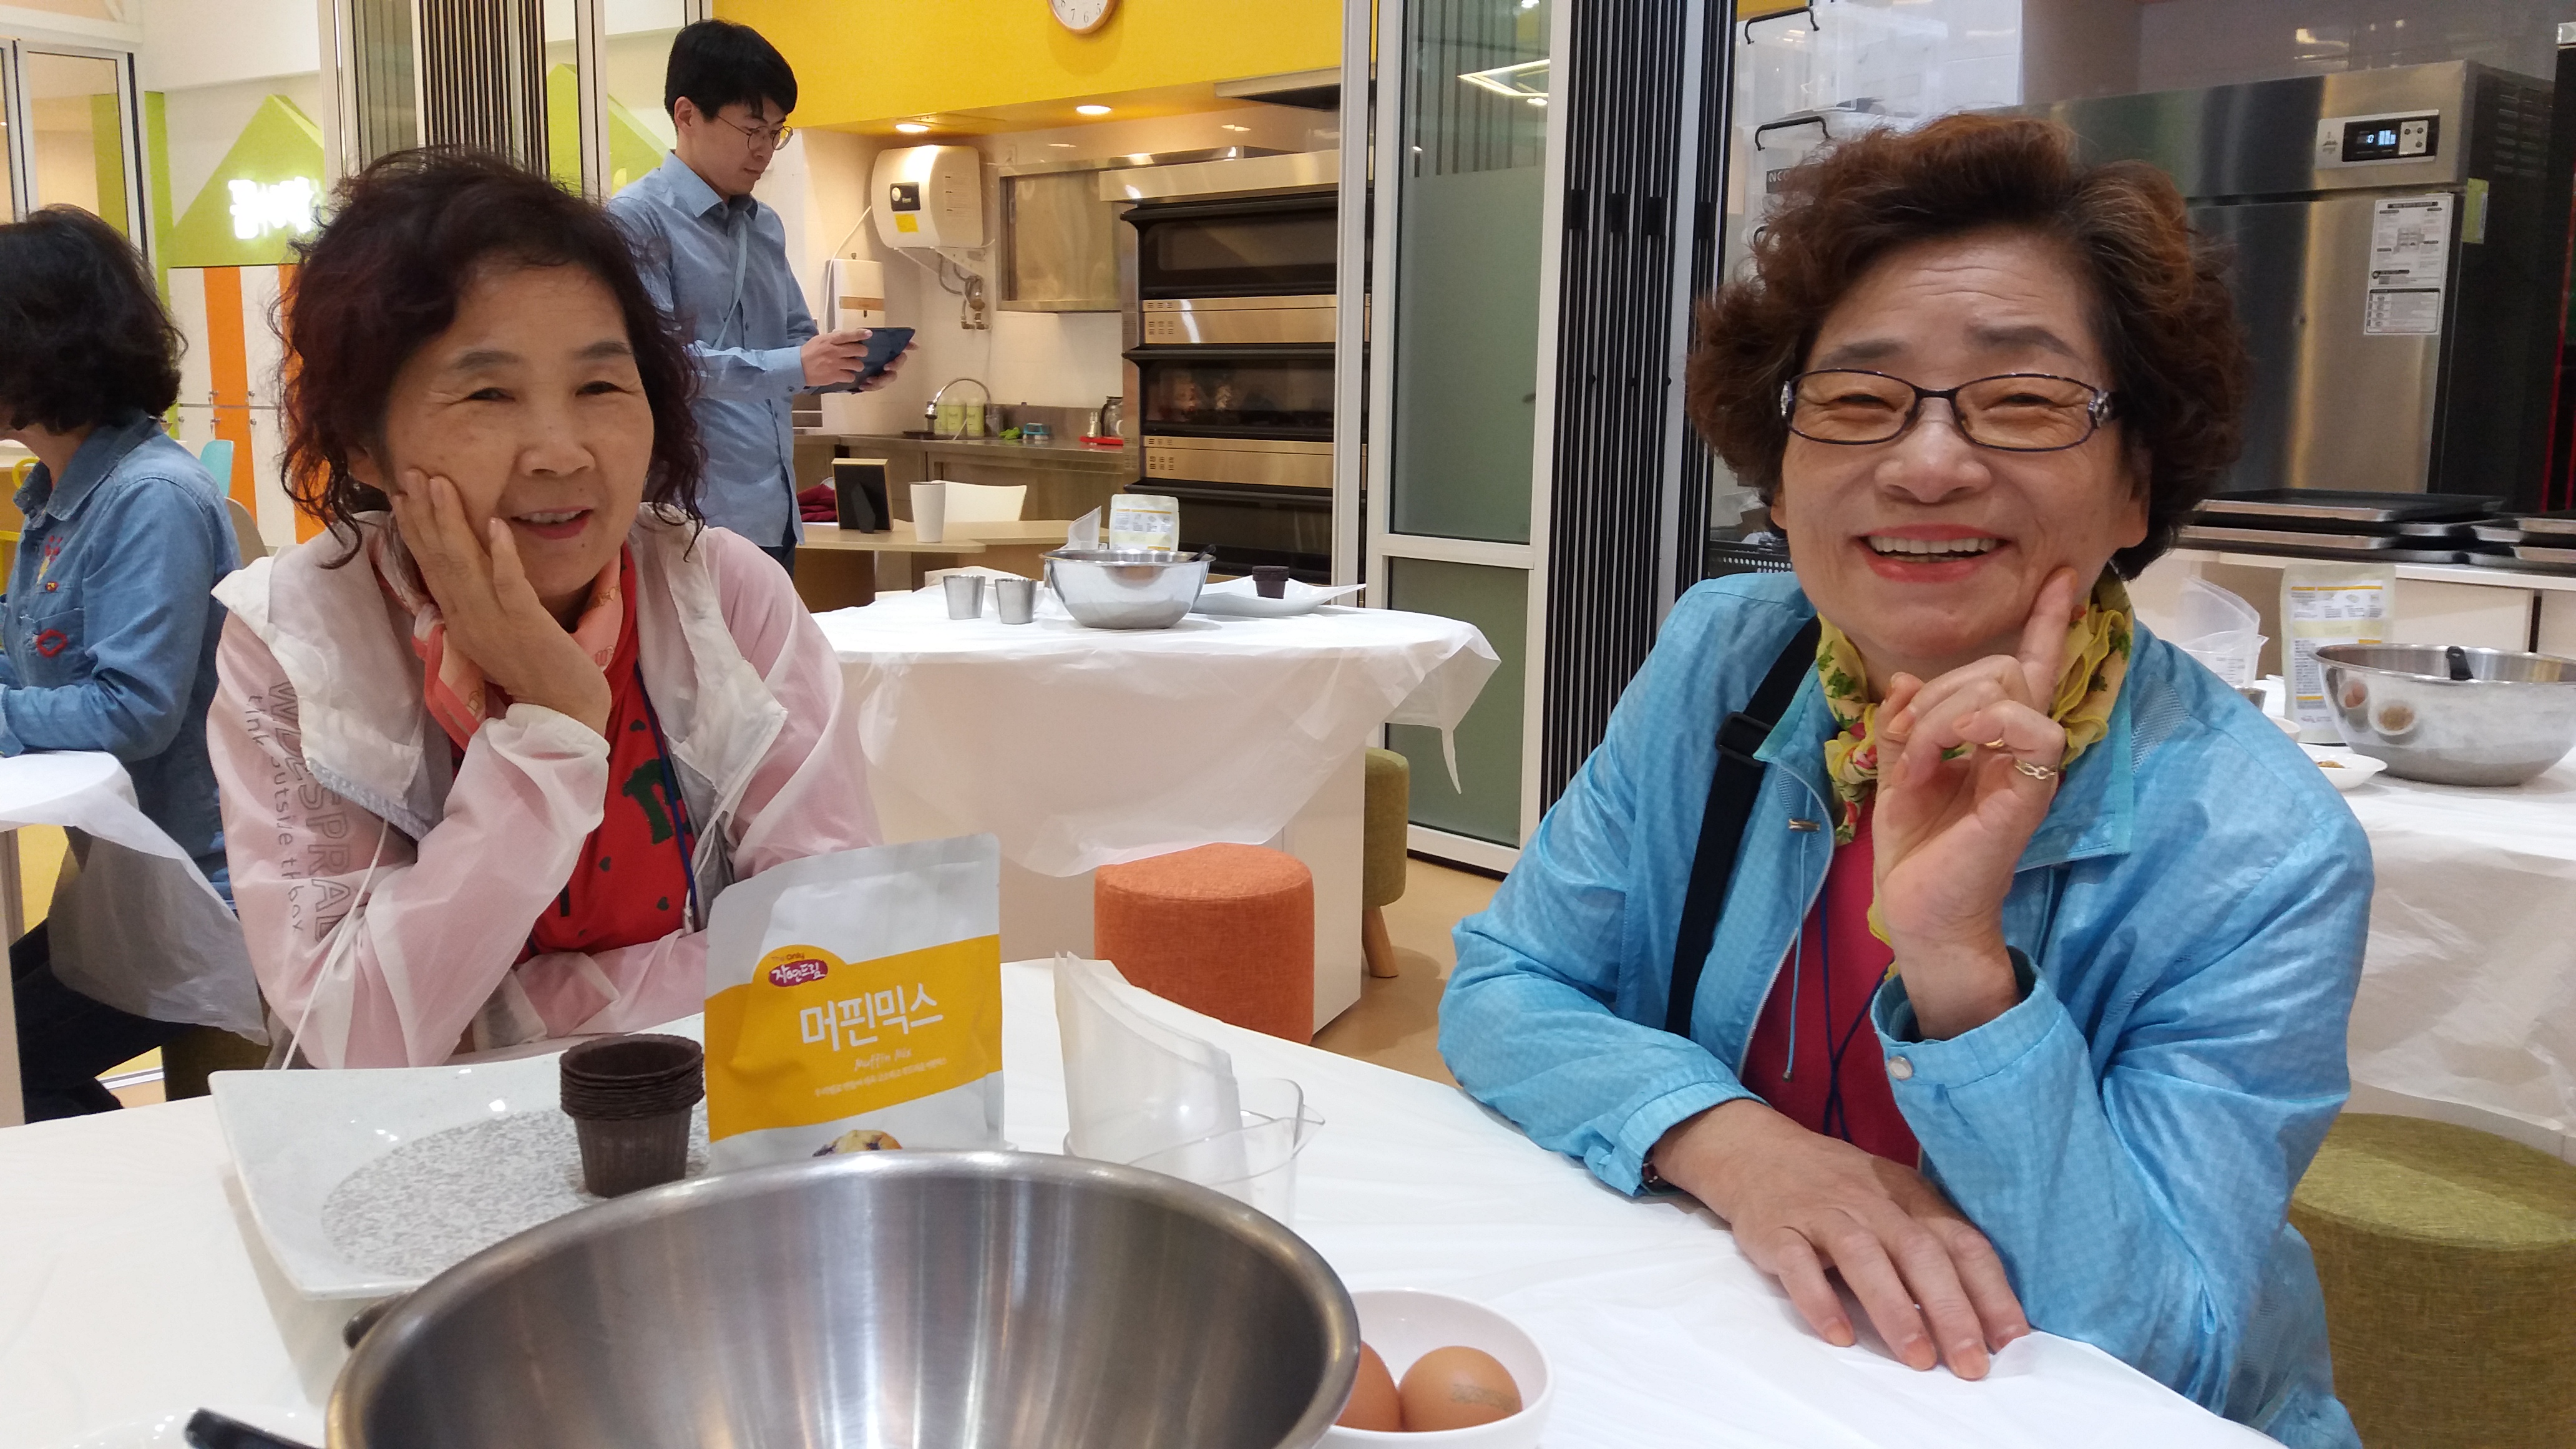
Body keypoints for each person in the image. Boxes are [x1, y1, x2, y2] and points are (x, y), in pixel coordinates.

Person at [1440, 115, 2366, 1448]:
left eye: (2025, 400)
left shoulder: (2257, 845)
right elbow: (1506, 985)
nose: (1926, 463)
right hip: (1739, 1363)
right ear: (1780, 476)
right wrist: (1739, 1146)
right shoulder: (1730, 659)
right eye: (1858, 401)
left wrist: (1958, 968)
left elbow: (2165, 1353)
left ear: (2136, 485)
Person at [210, 148, 879, 1069]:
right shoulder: (299, 641)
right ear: (363, 442)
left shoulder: (720, 593)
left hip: (711, 1117)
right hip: (427, 1147)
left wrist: (503, 1013)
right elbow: (356, 1034)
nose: (561, 453)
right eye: (489, 393)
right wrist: (554, 726)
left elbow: (838, 942)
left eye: (601, 386)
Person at [1, 206, 244, 1119]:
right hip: (127, 882)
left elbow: (131, 709)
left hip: (198, 896)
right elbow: (35, 656)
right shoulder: (57, 497)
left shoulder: (152, 497)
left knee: (11, 1056)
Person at [607, 18, 901, 577]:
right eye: (752, 129)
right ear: (686, 115)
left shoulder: (764, 225)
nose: (765, 150)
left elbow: (794, 341)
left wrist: (848, 367)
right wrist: (798, 364)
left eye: (776, 132)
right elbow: (658, 365)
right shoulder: (636, 220)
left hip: (775, 511)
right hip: (689, 517)